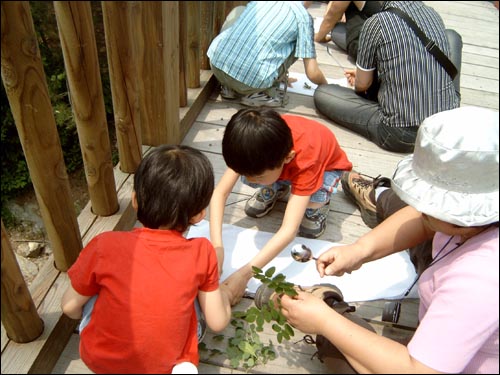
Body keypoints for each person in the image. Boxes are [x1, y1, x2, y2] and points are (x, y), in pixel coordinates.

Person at [280, 106, 499, 374]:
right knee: (400, 206)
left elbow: (417, 370)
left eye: (431, 203)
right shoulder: (469, 221)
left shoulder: (479, 279)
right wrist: (360, 250)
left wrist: (325, 322)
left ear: (464, 215)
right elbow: (422, 220)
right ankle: (379, 197)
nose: (421, 208)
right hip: (448, 334)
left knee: (336, 344)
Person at [61, 145, 232, 374]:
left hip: (100, 360)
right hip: (164, 364)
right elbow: (217, 322)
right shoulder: (203, 252)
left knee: (97, 289)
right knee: (194, 296)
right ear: (199, 214)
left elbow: (69, 307)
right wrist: (226, 296)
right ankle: (182, 363)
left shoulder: (105, 244)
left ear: (135, 201)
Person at [210, 108, 353, 304]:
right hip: (280, 168)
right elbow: (220, 193)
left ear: (287, 158)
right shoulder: (254, 143)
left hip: (326, 168)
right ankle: (276, 185)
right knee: (254, 175)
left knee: (313, 200)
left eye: (259, 176)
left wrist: (244, 275)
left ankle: (317, 205)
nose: (251, 180)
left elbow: (288, 231)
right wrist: (217, 246)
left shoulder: (306, 160)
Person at [314, 1, 462, 153]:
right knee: (451, 36)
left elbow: (362, 85)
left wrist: (364, 76)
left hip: (401, 133)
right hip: (444, 125)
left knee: (323, 93)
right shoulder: (432, 14)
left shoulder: (376, 23)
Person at [207, 1, 328, 108]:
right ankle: (264, 94)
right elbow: (312, 73)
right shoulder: (303, 17)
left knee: (239, 11)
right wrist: (327, 87)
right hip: (251, 83)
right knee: (301, 41)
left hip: (217, 66)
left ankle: (228, 88)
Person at [314, 1, 382, 61]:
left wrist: (318, 37)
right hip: (388, 43)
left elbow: (330, 17)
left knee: (336, 30)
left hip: (369, 49)